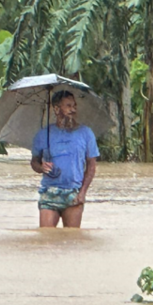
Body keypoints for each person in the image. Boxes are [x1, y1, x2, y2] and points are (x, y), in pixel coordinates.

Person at [30, 90, 99, 228]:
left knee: (72, 239)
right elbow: (34, 161)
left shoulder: (86, 133)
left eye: (74, 106)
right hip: (49, 192)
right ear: (56, 109)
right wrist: (41, 167)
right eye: (68, 106)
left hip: (74, 192)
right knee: (46, 238)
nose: (73, 110)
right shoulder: (44, 134)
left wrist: (83, 192)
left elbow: (91, 165)